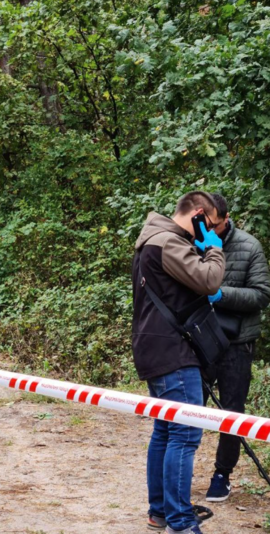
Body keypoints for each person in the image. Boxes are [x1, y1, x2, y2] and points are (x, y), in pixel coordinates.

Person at [132, 191, 226, 534]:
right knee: (184, 434)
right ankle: (181, 521)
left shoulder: (153, 240)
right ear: (198, 214)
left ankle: (160, 512)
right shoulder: (168, 242)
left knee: (166, 431)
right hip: (172, 352)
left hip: (154, 347)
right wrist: (213, 248)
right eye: (210, 223)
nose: (211, 230)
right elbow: (210, 280)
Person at [202, 193, 270, 502]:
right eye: (204, 225)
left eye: (214, 226)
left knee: (232, 411)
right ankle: (180, 468)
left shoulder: (249, 246)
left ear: (226, 219)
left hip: (236, 343)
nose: (208, 231)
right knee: (189, 405)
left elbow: (261, 295)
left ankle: (222, 474)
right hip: (200, 339)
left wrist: (221, 294)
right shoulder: (194, 243)